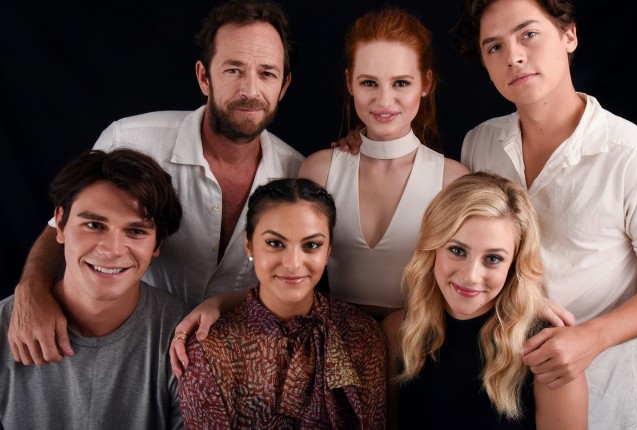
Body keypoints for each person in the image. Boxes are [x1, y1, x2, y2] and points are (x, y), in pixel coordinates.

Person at [9, 0, 304, 366]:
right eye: (234, 70)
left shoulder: (299, 175)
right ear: (204, 77)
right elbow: (66, 227)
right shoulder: (130, 141)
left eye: (267, 73)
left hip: (238, 362)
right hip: (133, 349)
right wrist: (31, 288)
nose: (250, 89)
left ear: (284, 85)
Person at [452, 0, 637, 428]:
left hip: (601, 386)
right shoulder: (480, 143)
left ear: (569, 35)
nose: (513, 56)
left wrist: (592, 337)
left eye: (529, 34)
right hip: (499, 384)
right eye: (494, 46)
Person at [381, 171, 587, 430]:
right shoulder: (398, 331)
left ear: (514, 264)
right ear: (432, 248)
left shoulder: (551, 351)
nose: (471, 276)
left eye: (493, 259)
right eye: (457, 250)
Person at [299, 7, 469, 319]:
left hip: (419, 341)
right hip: (333, 340)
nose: (384, 100)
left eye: (401, 83)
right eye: (369, 83)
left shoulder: (453, 181)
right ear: (350, 82)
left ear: (426, 83)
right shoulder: (318, 171)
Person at [0, 148, 189, 429]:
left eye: (136, 231)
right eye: (93, 224)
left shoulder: (185, 338)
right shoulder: (3, 326)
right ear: (60, 224)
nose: (112, 250)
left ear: (157, 244)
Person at [178, 178, 386, 429]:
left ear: (328, 251)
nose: (293, 264)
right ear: (249, 245)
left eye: (312, 245)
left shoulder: (361, 333)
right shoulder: (209, 349)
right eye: (275, 243)